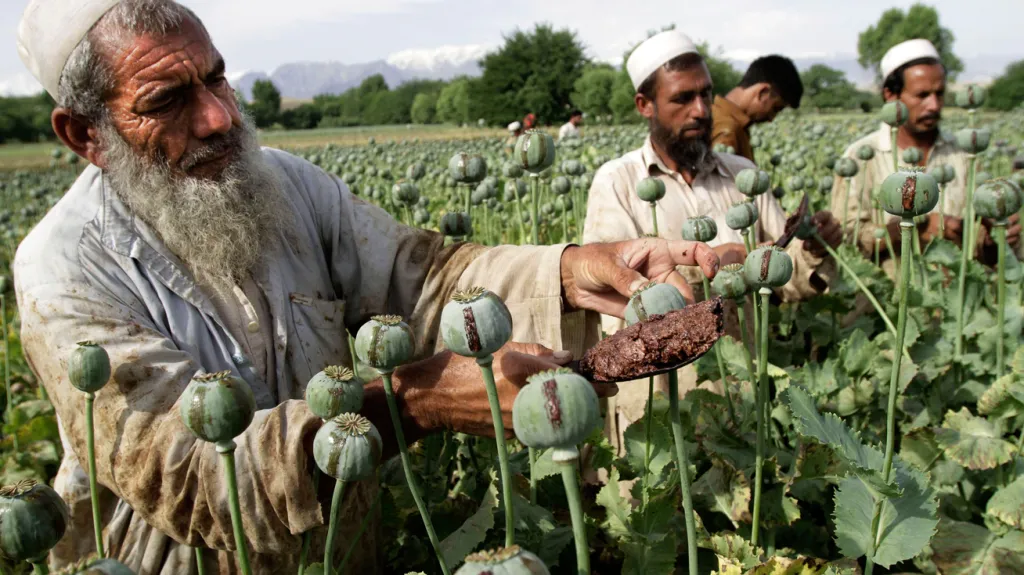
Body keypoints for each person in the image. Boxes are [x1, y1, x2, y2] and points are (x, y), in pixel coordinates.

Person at [13, 1, 722, 572]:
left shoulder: (285, 184)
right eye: (167, 100)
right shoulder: (63, 270)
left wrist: (571, 269)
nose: (219, 117)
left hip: (347, 550)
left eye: (217, 79)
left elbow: (425, 278)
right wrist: (416, 402)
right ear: (85, 134)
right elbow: (193, 477)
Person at [582, 30, 841, 453]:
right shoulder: (618, 182)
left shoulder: (743, 176)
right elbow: (611, 294)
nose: (701, 111)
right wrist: (711, 264)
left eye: (706, 94)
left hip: (741, 397)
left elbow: (783, 276)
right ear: (645, 105)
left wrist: (812, 250)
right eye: (683, 99)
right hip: (660, 409)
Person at [830, 38, 1020, 264]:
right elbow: (846, 239)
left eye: (939, 93)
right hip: (886, 285)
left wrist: (996, 238)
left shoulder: (963, 154)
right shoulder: (860, 157)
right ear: (890, 95)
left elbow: (982, 239)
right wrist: (914, 228)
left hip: (957, 283)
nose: (934, 105)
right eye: (922, 95)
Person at [711, 55, 803, 162]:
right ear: (763, 92)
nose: (771, 119)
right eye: (776, 109)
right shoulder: (727, 131)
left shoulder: (718, 116)